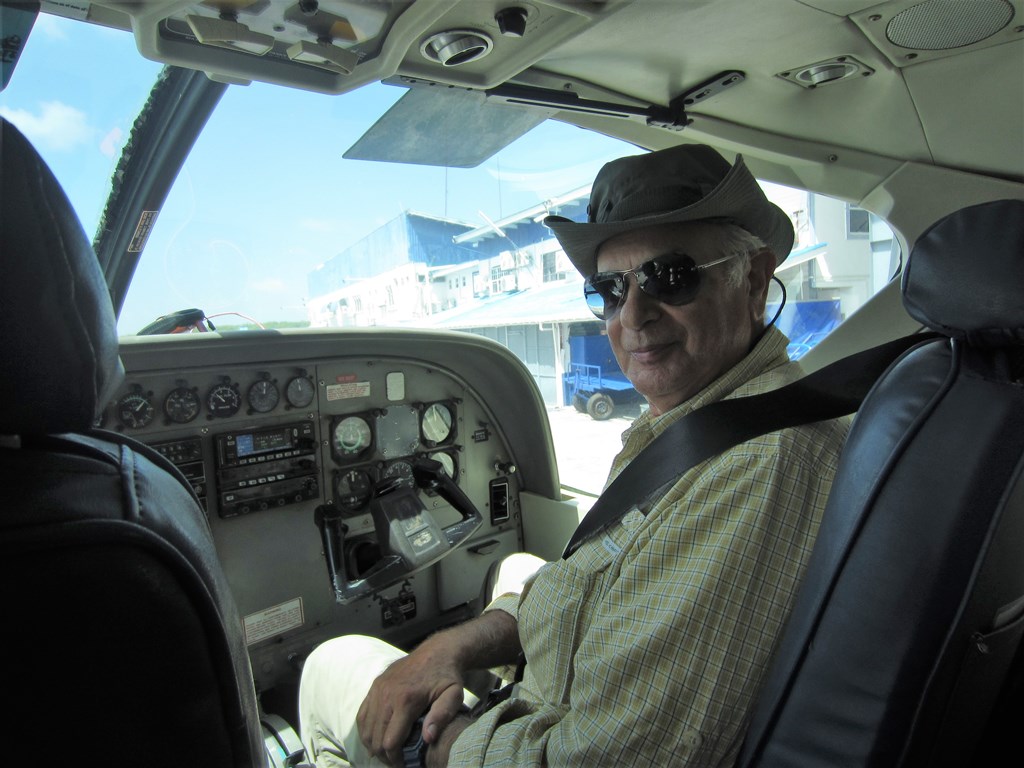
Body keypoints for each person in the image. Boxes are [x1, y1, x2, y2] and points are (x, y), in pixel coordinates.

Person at [298, 144, 851, 767]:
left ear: (751, 279)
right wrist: (447, 647)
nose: (633, 316)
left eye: (671, 277)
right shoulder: (697, 423)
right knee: (517, 576)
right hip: (549, 705)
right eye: (611, 290)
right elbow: (586, 580)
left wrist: (445, 742)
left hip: (532, 745)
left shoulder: (760, 463)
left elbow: (611, 757)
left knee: (332, 662)